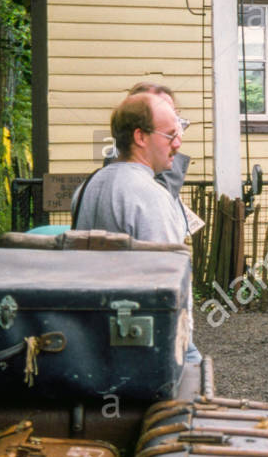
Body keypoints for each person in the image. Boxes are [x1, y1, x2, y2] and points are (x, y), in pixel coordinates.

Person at [72, 92, 201, 363]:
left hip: (96, 338)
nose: (177, 144)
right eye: (169, 135)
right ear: (140, 137)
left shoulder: (87, 187)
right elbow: (167, 285)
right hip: (147, 344)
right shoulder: (150, 197)